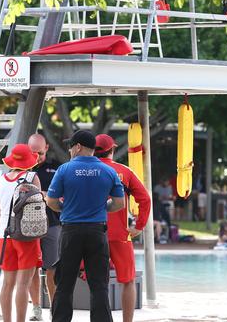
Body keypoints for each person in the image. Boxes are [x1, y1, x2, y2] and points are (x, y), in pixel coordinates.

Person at [45, 130, 125, 322]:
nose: (70, 150)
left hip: (71, 231)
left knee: (64, 283)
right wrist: (102, 207)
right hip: (97, 231)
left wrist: (66, 207)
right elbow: (119, 203)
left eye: (71, 146)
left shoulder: (64, 170)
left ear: (78, 146)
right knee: (99, 285)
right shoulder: (109, 171)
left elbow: (51, 201)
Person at [95, 133, 151, 322]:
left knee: (96, 283)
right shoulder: (124, 171)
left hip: (92, 234)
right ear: (112, 150)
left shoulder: (83, 170)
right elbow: (145, 199)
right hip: (120, 234)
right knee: (127, 281)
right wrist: (139, 225)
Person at [0, 144, 43, 322]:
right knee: (23, 284)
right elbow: (39, 210)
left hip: (4, 237)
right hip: (26, 236)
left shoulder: (0, 180)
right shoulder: (32, 177)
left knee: (7, 284)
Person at [27, 133, 60, 321]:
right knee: (32, 268)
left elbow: (63, 197)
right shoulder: (22, 170)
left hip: (52, 224)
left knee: (52, 268)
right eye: (33, 152)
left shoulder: (55, 169)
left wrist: (43, 194)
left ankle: (55, 308)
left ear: (46, 148)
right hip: (29, 226)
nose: (36, 156)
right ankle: (37, 308)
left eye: (39, 152)